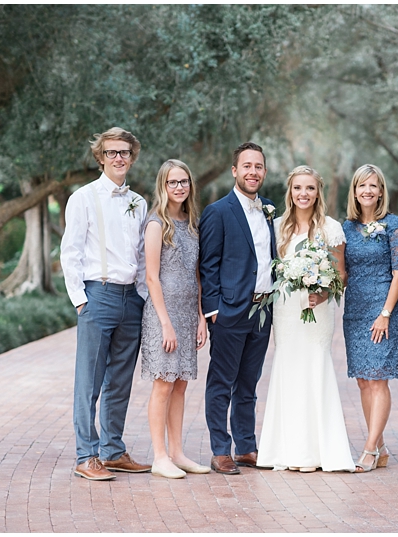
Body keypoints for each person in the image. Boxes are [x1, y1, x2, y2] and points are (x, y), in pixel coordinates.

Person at [60, 127, 152, 480]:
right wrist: (81, 301)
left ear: (132, 157)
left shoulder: (139, 202)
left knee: (120, 380)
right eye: (112, 152)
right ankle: (87, 455)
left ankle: (113, 451)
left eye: (124, 152)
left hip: (131, 299)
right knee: (90, 381)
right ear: (101, 157)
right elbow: (70, 252)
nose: (118, 158)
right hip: (97, 295)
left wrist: (142, 296)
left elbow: (142, 256)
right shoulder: (83, 198)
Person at [256, 165, 356, 473]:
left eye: (310, 188)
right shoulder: (278, 227)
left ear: (318, 192)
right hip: (286, 313)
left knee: (315, 367)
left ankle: (319, 451)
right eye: (298, 188)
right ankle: (286, 450)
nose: (304, 194)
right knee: (288, 368)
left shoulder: (331, 228)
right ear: (290, 192)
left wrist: (322, 294)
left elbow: (340, 274)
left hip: (317, 311)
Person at [199, 142, 277, 475]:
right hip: (230, 312)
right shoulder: (218, 211)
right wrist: (212, 310)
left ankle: (246, 447)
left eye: (258, 166)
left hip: (263, 310)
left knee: (248, 383)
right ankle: (220, 450)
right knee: (221, 382)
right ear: (235, 171)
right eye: (246, 166)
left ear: (264, 171)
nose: (253, 172)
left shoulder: (270, 209)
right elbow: (208, 264)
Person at [141, 159, 210, 478]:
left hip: (187, 313)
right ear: (163, 186)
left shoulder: (192, 223)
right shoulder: (156, 223)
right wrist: (166, 322)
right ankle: (159, 457)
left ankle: (178, 452)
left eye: (184, 181)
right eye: (173, 182)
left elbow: (196, 274)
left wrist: (199, 317)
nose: (179, 187)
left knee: (180, 384)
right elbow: (152, 277)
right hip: (162, 314)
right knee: (163, 384)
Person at [342, 164, 398, 472]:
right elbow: (341, 272)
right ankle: (379, 447)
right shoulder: (346, 228)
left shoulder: (392, 224)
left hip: (383, 310)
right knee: (363, 382)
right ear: (354, 191)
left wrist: (385, 314)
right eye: (361, 186)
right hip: (354, 311)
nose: (367, 191)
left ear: (381, 191)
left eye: (373, 185)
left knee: (378, 380)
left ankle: (368, 449)